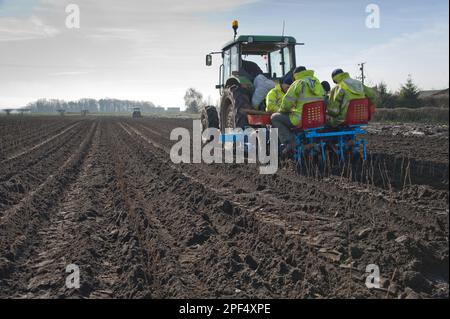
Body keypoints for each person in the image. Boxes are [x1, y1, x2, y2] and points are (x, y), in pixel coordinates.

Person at [271, 66, 325, 155]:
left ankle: (290, 143)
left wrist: (282, 111)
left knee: (275, 118)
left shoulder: (297, 83)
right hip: (318, 119)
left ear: (295, 75)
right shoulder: (317, 82)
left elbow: (286, 104)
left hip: (300, 119)